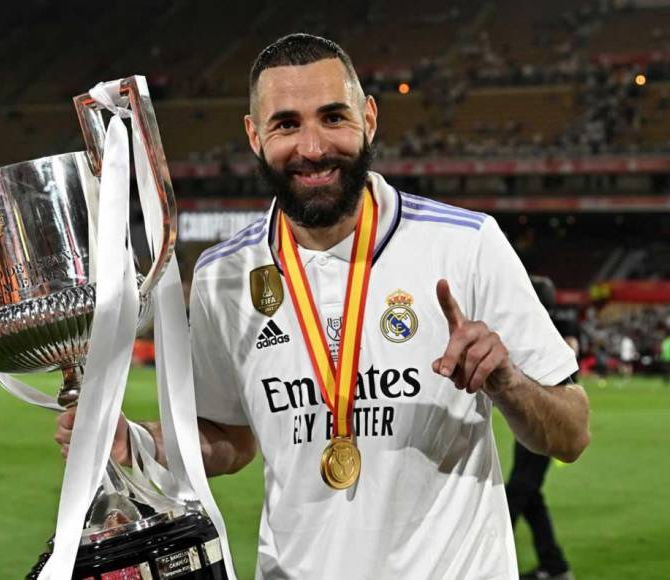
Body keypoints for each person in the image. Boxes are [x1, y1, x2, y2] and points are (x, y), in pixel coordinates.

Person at [56, 34, 591, 579]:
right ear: (253, 136)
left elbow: (571, 433)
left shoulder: (466, 243)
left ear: (370, 118)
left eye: (333, 117)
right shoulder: (224, 276)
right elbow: (230, 439)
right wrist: (139, 443)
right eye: (286, 123)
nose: (312, 147)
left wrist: (509, 383)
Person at [506, 276, 577, 580]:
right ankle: (555, 564)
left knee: (519, 490)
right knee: (530, 492)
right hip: (542, 414)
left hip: (547, 417)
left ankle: (492, 556)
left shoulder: (541, 327)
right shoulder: (562, 326)